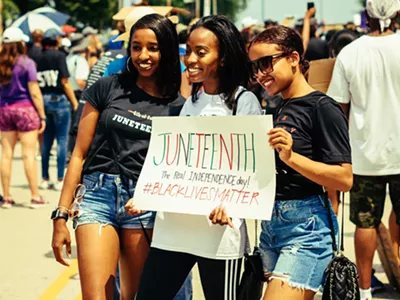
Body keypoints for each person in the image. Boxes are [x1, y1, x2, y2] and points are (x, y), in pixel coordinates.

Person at [51, 14, 185, 299]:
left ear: (168, 50)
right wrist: (60, 216)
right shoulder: (108, 87)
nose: (143, 55)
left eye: (153, 47)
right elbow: (79, 154)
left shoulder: (178, 106)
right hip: (97, 196)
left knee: (136, 295)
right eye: (136, 47)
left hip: (144, 202)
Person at [134, 15, 262, 300]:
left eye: (200, 52)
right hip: (173, 230)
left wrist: (231, 205)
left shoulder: (244, 102)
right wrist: (147, 193)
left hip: (219, 237)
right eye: (188, 50)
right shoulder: (190, 102)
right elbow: (177, 163)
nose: (190, 58)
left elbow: (250, 170)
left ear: (224, 57)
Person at [248, 25, 352, 300]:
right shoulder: (278, 106)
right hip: (271, 228)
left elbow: (344, 179)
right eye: (254, 68)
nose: (259, 74)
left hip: (306, 231)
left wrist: (293, 158)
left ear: (293, 58)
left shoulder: (322, 107)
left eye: (265, 63)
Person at [327, 1, 400, 299]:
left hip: (364, 155)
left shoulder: (351, 52)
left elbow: (338, 109)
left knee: (365, 223)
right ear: (396, 13)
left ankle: (366, 290)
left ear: (367, 15)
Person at [0, 27, 46, 208]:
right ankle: (35, 196)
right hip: (25, 110)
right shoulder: (27, 63)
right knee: (28, 155)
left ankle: (6, 197)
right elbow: (34, 91)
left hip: (4, 110)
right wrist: (42, 115)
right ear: (21, 43)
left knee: (6, 154)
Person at [37, 28, 78, 191]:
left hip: (43, 99)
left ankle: (45, 177)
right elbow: (65, 81)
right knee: (62, 140)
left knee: (46, 141)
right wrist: (74, 102)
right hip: (59, 99)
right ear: (55, 40)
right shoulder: (60, 56)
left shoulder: (37, 57)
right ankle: (60, 178)